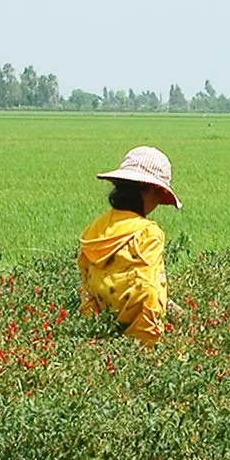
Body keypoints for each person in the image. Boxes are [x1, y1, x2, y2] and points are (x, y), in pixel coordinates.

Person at [76, 146, 180, 345]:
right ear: (150, 190)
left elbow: (88, 288)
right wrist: (149, 344)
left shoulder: (93, 230)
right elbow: (149, 291)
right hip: (141, 338)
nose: (158, 202)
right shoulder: (148, 233)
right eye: (159, 194)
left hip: (99, 333)